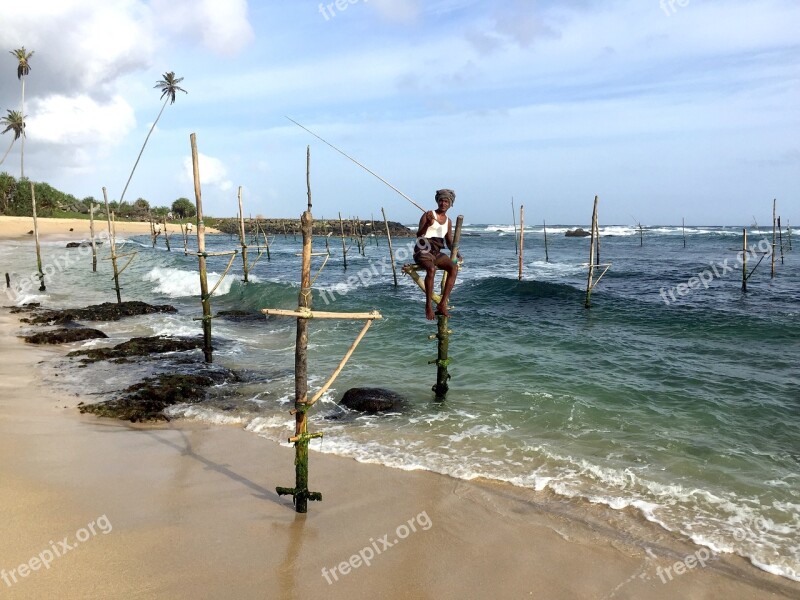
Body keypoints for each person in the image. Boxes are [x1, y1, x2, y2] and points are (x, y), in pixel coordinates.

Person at [414, 189, 463, 320]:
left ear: (450, 204)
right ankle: (428, 306)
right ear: (437, 201)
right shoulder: (428, 215)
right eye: (441, 200)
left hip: (436, 252)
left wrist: (456, 253)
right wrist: (428, 224)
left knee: (453, 267)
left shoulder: (448, 221)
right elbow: (419, 235)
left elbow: (448, 242)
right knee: (430, 269)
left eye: (446, 201)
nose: (443, 203)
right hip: (423, 250)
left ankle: (442, 304)